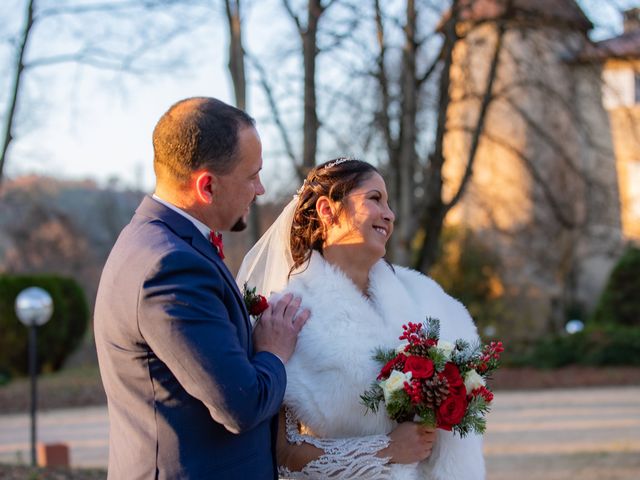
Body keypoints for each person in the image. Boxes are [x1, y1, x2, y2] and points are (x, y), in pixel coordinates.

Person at [94, 97, 309, 479]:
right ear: (206, 186)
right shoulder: (170, 268)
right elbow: (240, 406)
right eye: (252, 176)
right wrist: (274, 351)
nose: (260, 189)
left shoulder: (152, 241)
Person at [237, 158, 485, 479]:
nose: (389, 214)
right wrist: (386, 449)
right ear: (328, 210)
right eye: (374, 199)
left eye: (389, 202)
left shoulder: (426, 298)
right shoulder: (288, 317)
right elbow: (284, 453)